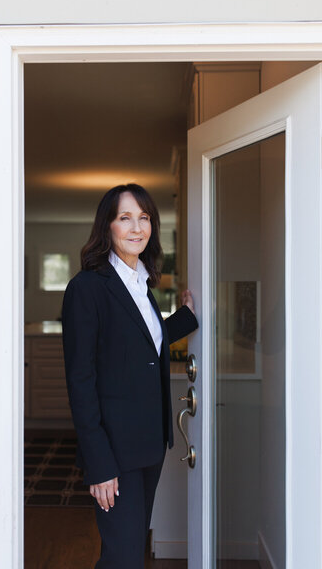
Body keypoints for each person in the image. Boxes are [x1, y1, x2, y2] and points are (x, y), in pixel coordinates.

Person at [61, 183, 199, 569]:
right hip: (113, 453)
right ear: (107, 227)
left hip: (149, 446)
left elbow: (141, 342)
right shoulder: (87, 288)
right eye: (125, 218)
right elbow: (81, 382)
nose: (136, 227)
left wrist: (185, 319)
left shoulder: (142, 285)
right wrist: (99, 463)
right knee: (122, 557)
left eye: (144, 218)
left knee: (129, 550)